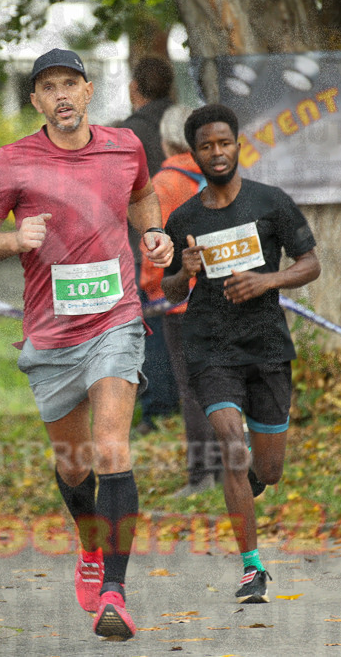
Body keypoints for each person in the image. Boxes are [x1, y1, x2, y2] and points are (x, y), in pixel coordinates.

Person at [0, 48, 174, 640]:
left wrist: (154, 232)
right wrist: (14, 239)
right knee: (75, 463)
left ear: (87, 91)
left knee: (111, 449)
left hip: (116, 319)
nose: (60, 95)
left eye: (70, 84)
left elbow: (141, 197)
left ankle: (115, 590)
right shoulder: (14, 161)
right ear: (35, 100)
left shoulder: (124, 147)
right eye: (48, 87)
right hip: (52, 332)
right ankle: (89, 546)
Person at [162, 104, 320, 604]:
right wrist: (182, 270)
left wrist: (267, 280)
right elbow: (168, 292)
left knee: (268, 471)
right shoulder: (182, 218)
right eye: (206, 146)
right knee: (232, 444)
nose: (217, 153)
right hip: (210, 348)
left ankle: (247, 483)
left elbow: (311, 263)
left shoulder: (270, 203)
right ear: (195, 153)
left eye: (224, 143)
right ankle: (252, 567)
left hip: (267, 347)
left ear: (237, 145)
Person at [139, 104, 218, 496]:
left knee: (191, 387)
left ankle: (201, 475)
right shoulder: (219, 174)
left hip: (181, 301)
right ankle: (225, 470)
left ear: (167, 140)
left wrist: (152, 288)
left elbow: (157, 247)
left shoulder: (164, 184)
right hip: (225, 294)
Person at [122, 56, 179, 435]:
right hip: (191, 236)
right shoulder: (184, 125)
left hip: (144, 241)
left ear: (134, 89)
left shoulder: (125, 135)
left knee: (151, 322)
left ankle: (158, 407)